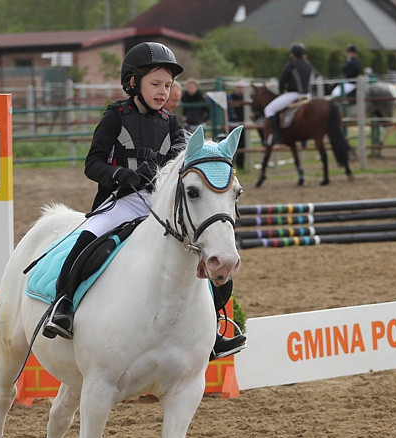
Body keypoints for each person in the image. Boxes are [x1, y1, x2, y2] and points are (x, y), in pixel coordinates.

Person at [42, 41, 246, 360]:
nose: (163, 91)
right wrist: (120, 174)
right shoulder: (115, 116)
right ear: (133, 82)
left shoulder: (172, 123)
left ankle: (215, 330)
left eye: (168, 85)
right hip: (121, 201)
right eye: (156, 84)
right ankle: (63, 305)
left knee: (204, 250)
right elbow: (92, 163)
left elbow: (185, 166)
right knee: (88, 237)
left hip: (162, 205)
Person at [263, 43, 313, 147]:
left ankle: (277, 136)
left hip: (293, 95)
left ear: (292, 54)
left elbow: (282, 82)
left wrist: (281, 91)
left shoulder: (290, 65)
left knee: (269, 109)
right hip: (308, 95)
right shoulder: (308, 65)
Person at [227, 80, 247, 170]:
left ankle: (241, 166)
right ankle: (231, 164)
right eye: (239, 86)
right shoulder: (231, 97)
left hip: (242, 123)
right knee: (232, 144)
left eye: (242, 87)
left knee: (242, 144)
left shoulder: (245, 97)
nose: (240, 89)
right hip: (232, 124)